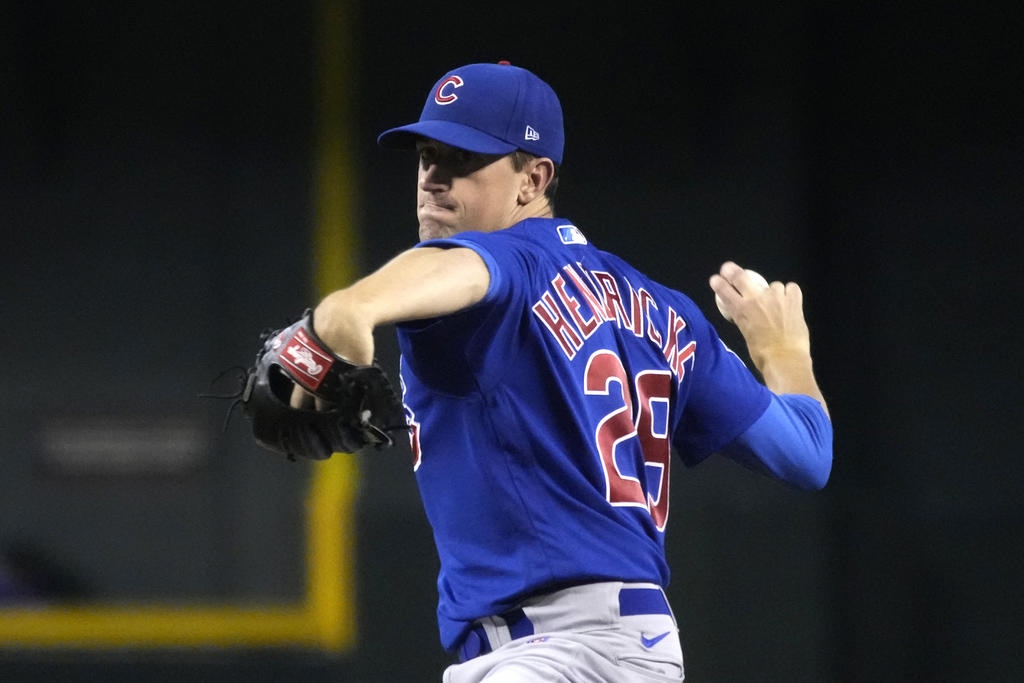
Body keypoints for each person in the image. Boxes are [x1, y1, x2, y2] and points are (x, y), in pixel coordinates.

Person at [298, 61, 832, 682]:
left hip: (564, 653)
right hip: (611, 651)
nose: (434, 179)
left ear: (533, 179)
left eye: (464, 159)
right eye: (427, 155)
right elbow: (807, 450)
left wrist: (345, 313)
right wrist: (784, 354)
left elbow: (440, 276)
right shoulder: (666, 312)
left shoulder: (497, 264)